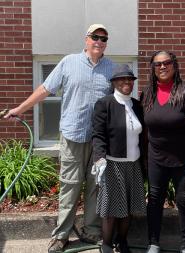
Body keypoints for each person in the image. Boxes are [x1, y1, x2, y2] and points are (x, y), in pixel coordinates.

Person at [3, 24, 114, 253]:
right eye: (95, 37)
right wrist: (20, 109)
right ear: (86, 39)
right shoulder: (69, 62)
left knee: (95, 186)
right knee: (69, 187)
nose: (99, 42)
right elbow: (45, 89)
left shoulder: (111, 68)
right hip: (72, 136)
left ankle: (91, 231)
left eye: (103, 38)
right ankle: (61, 235)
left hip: (99, 141)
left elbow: (120, 100)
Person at [142, 51, 185, 253]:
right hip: (156, 159)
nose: (162, 67)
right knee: (154, 200)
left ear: (175, 65)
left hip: (183, 160)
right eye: (157, 64)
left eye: (167, 63)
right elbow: (144, 130)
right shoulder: (147, 94)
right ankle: (153, 243)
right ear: (152, 69)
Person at [91, 64, 146, 253]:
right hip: (112, 163)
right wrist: (99, 158)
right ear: (114, 82)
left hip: (134, 164)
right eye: (122, 79)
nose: (127, 82)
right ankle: (106, 243)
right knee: (110, 208)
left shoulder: (137, 105)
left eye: (130, 79)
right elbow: (98, 134)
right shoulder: (105, 103)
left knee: (128, 207)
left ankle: (122, 241)